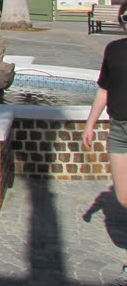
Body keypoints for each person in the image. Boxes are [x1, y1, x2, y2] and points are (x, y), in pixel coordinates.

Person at [84, 36, 127, 284]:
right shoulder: (114, 49)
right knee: (123, 198)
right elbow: (104, 88)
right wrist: (90, 124)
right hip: (119, 130)